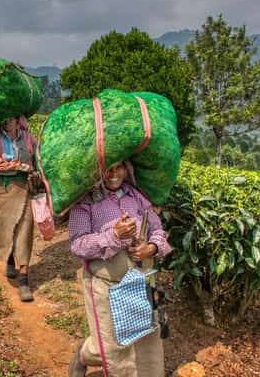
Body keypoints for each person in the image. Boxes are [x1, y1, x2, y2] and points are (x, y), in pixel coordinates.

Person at [68, 161, 172, 377]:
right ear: (97, 170)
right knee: (114, 348)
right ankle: (84, 353)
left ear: (127, 169)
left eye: (119, 167)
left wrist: (150, 248)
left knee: (145, 341)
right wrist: (114, 236)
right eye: (108, 167)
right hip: (106, 285)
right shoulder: (85, 202)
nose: (113, 173)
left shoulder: (136, 197)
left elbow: (157, 229)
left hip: (141, 283)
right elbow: (78, 245)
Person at [0, 115, 38, 302]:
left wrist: (36, 170)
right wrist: (19, 166)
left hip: (24, 189)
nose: (7, 122)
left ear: (18, 120)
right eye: (4, 119)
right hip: (3, 189)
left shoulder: (28, 138)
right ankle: (9, 258)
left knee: (25, 231)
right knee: (5, 227)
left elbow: (38, 158)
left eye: (11, 119)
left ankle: (24, 280)